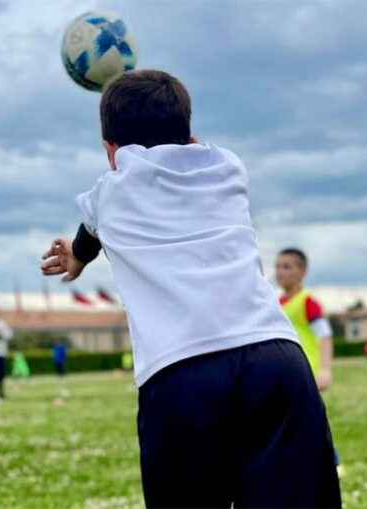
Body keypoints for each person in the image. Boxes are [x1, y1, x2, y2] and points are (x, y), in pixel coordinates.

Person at [41, 70, 340, 507]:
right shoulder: (228, 167)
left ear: (111, 153)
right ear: (189, 135)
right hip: (276, 360)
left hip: (182, 371)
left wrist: (79, 257)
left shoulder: (109, 194)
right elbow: (186, 148)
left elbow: (89, 230)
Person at [275, 247, 344, 477]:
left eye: (287, 266)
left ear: (302, 272)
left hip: (308, 370)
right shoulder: (274, 303)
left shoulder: (308, 302)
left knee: (310, 416)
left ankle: (332, 461)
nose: (280, 271)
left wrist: (325, 370)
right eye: (277, 266)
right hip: (284, 372)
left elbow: (324, 336)